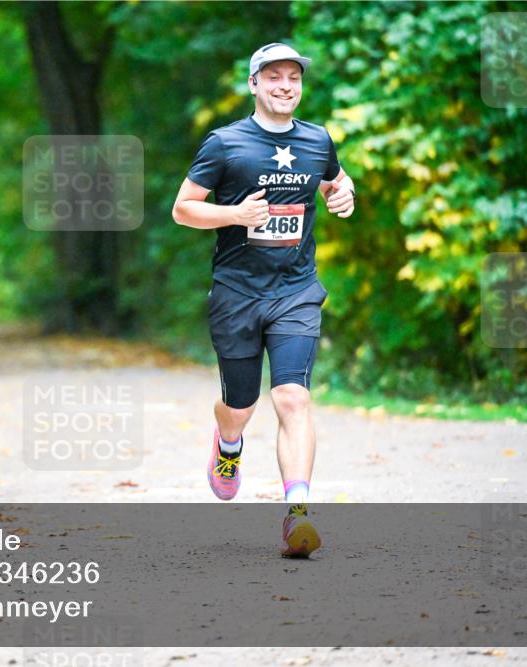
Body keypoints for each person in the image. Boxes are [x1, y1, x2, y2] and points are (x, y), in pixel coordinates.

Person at [172, 43, 355, 557]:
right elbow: (183, 210)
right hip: (236, 293)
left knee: (292, 397)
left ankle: (297, 515)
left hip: (295, 290)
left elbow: (337, 183)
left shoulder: (318, 140)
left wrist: (344, 196)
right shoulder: (225, 144)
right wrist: (235, 216)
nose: (284, 86)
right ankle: (228, 444)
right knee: (240, 405)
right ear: (253, 84)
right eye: (272, 77)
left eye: (292, 78)